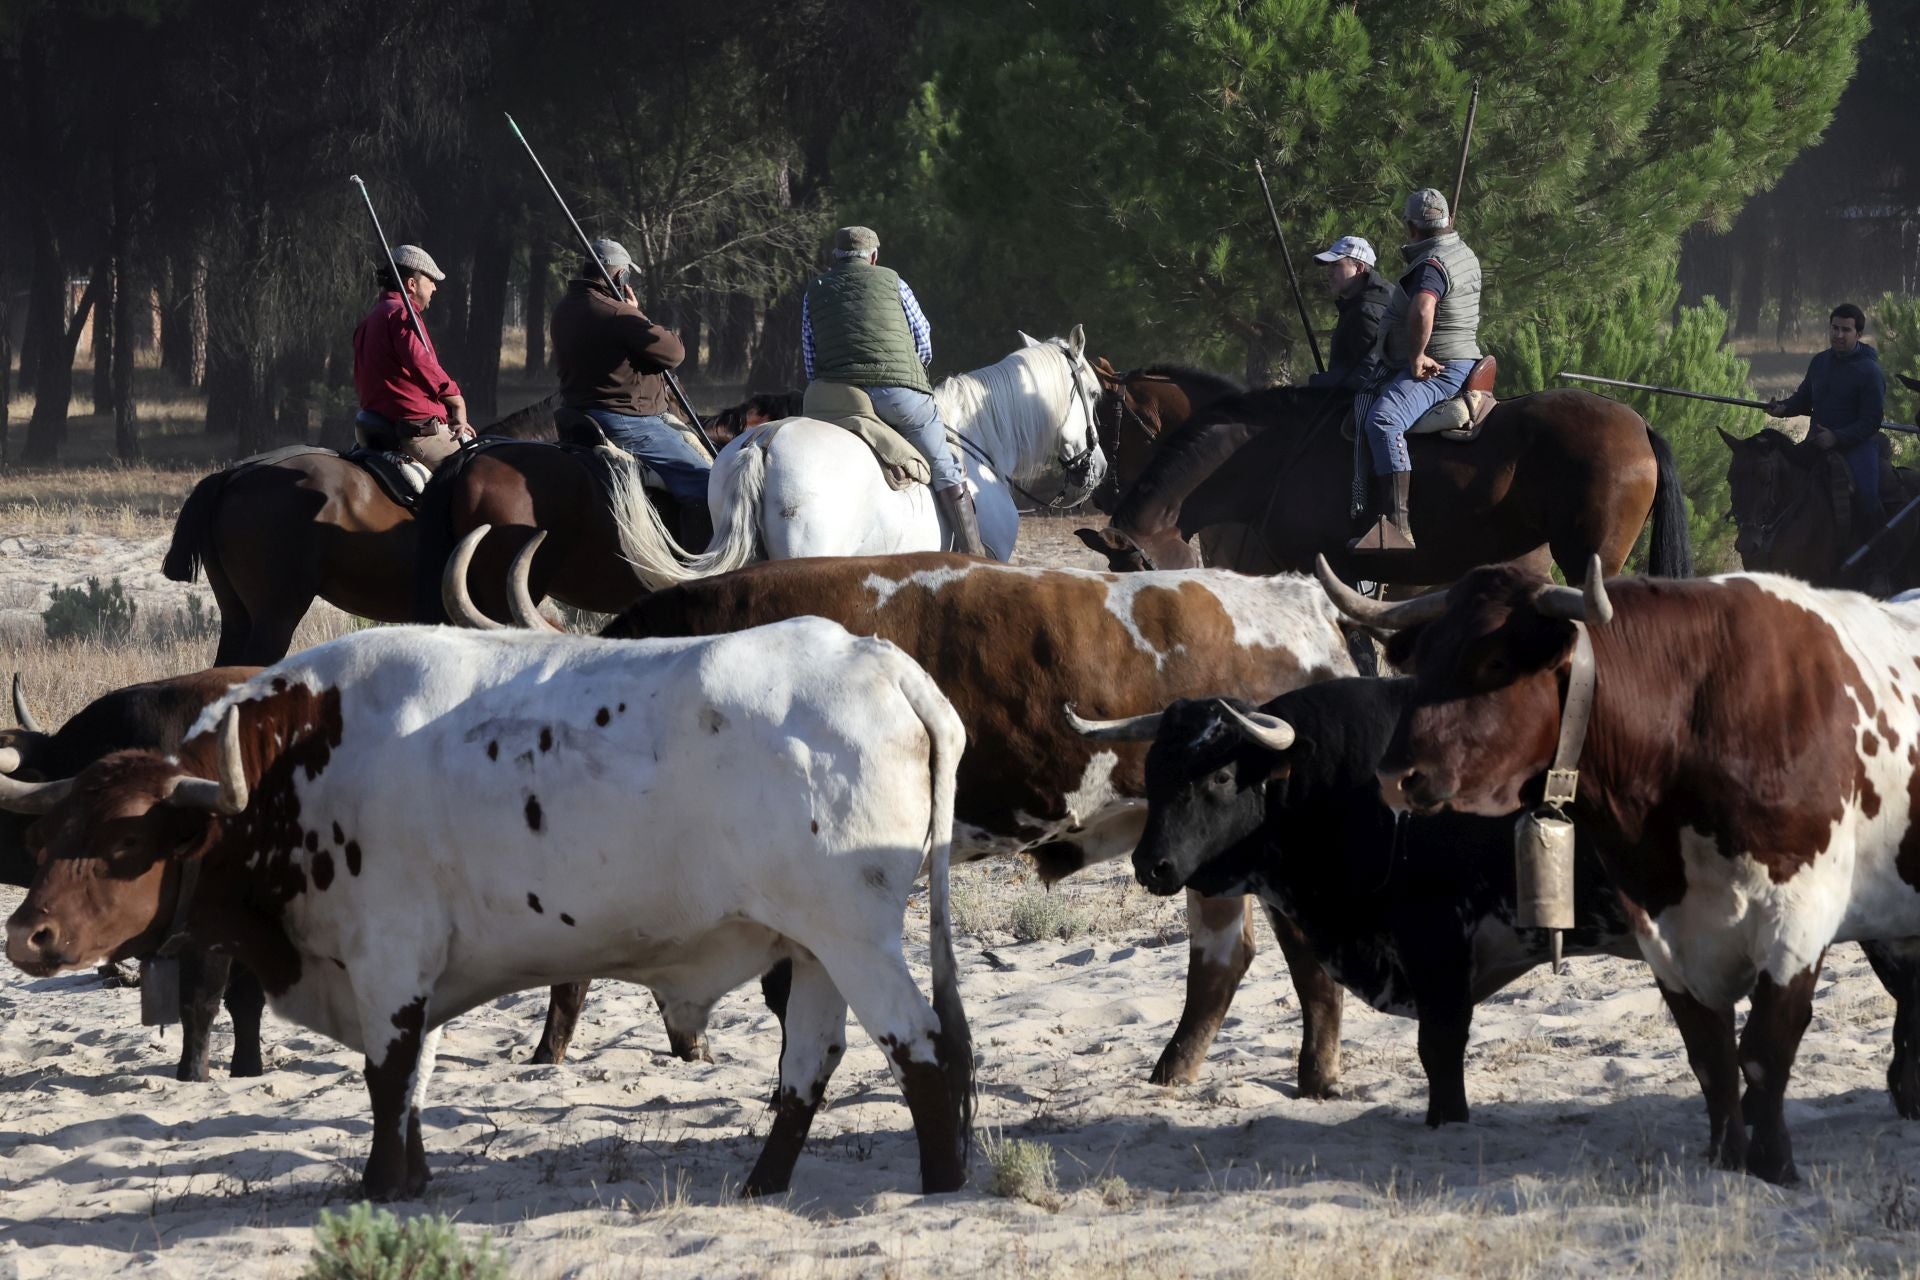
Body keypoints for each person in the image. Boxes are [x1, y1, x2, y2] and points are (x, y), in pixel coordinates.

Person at [801, 225, 984, 555]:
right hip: (898, 396)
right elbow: (923, 340)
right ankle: (976, 559)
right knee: (944, 467)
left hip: (839, 399)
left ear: (835, 258)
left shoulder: (814, 290)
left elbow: (810, 358)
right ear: (873, 257)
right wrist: (911, 372)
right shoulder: (893, 281)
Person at [550, 238, 713, 550]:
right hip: (628, 418)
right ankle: (698, 572)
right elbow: (673, 352)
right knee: (704, 483)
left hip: (582, 412)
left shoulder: (564, 309)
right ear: (619, 276)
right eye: (628, 277)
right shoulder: (617, 314)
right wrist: (635, 314)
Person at [1349, 189, 1484, 552]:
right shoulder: (1462, 252)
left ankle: (1397, 529)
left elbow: (1423, 307)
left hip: (1442, 365)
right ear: (1449, 222)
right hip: (1463, 355)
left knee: (1383, 421)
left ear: (1410, 228)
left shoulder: (1432, 264)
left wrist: (1417, 356)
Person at [1766, 302, 1889, 579]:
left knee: (1869, 499)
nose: (1839, 335)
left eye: (1846, 330)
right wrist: (1783, 408)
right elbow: (1803, 398)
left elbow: (1871, 423)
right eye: (1835, 328)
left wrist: (1837, 437)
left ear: (1858, 334)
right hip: (1816, 442)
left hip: (1857, 447)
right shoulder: (1820, 362)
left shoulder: (1870, 372)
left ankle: (1879, 565)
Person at [351, 244, 472, 478]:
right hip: (412, 431)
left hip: (378, 426)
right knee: (476, 478)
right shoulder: (402, 314)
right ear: (412, 284)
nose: (435, 288)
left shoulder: (371, 319)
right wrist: (456, 399)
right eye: (431, 281)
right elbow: (421, 363)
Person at [1306, 235, 1403, 392]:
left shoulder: (1366, 311)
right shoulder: (1363, 301)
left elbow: (1369, 374)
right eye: (1328, 266)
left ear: (1358, 268)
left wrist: (1319, 381)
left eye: (1336, 265)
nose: (1328, 273)